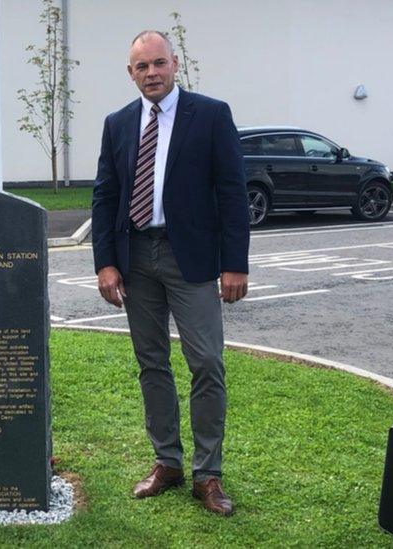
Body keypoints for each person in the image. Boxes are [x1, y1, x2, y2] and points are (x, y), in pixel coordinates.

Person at [90, 30, 250, 516]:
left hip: (192, 260)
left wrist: (234, 263)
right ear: (131, 72)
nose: (152, 73)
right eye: (142, 67)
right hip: (135, 257)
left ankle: (208, 474)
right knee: (152, 363)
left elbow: (232, 192)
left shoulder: (211, 115)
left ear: (175, 64)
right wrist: (105, 261)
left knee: (207, 363)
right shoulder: (118, 124)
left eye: (159, 63)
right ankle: (168, 462)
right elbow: (105, 196)